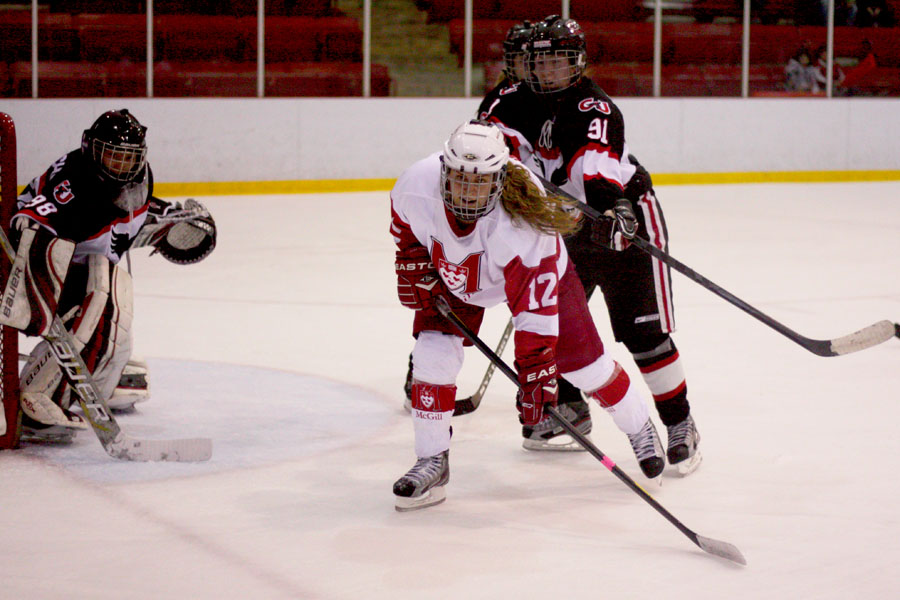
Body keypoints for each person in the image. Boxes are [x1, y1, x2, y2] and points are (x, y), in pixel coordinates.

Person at [390, 119, 666, 511]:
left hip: (532, 275)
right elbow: (404, 229)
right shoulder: (417, 184)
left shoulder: (521, 222)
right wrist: (413, 262)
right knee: (432, 356)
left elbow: (532, 316)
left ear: (500, 178)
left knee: (584, 368)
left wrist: (537, 371)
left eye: (480, 181)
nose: (468, 191)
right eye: (459, 178)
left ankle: (639, 428)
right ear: (443, 170)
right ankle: (431, 461)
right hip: (455, 271)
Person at [477, 15, 701, 473]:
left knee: (643, 333)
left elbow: (593, 169)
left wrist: (615, 209)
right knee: (558, 327)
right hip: (561, 225)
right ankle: (571, 409)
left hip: (622, 218)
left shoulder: (592, 108)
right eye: (540, 62)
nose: (549, 71)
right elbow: (491, 154)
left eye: (560, 61)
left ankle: (680, 422)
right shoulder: (504, 101)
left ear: (577, 63)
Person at [0, 108, 216, 443]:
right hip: (27, 274)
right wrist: (33, 245)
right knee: (107, 287)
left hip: (72, 267)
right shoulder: (73, 182)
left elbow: (122, 220)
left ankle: (96, 378)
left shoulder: (134, 182)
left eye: (128, 158)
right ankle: (39, 396)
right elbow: (29, 220)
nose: (121, 166)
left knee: (118, 329)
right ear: (92, 148)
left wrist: (168, 219)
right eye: (113, 157)